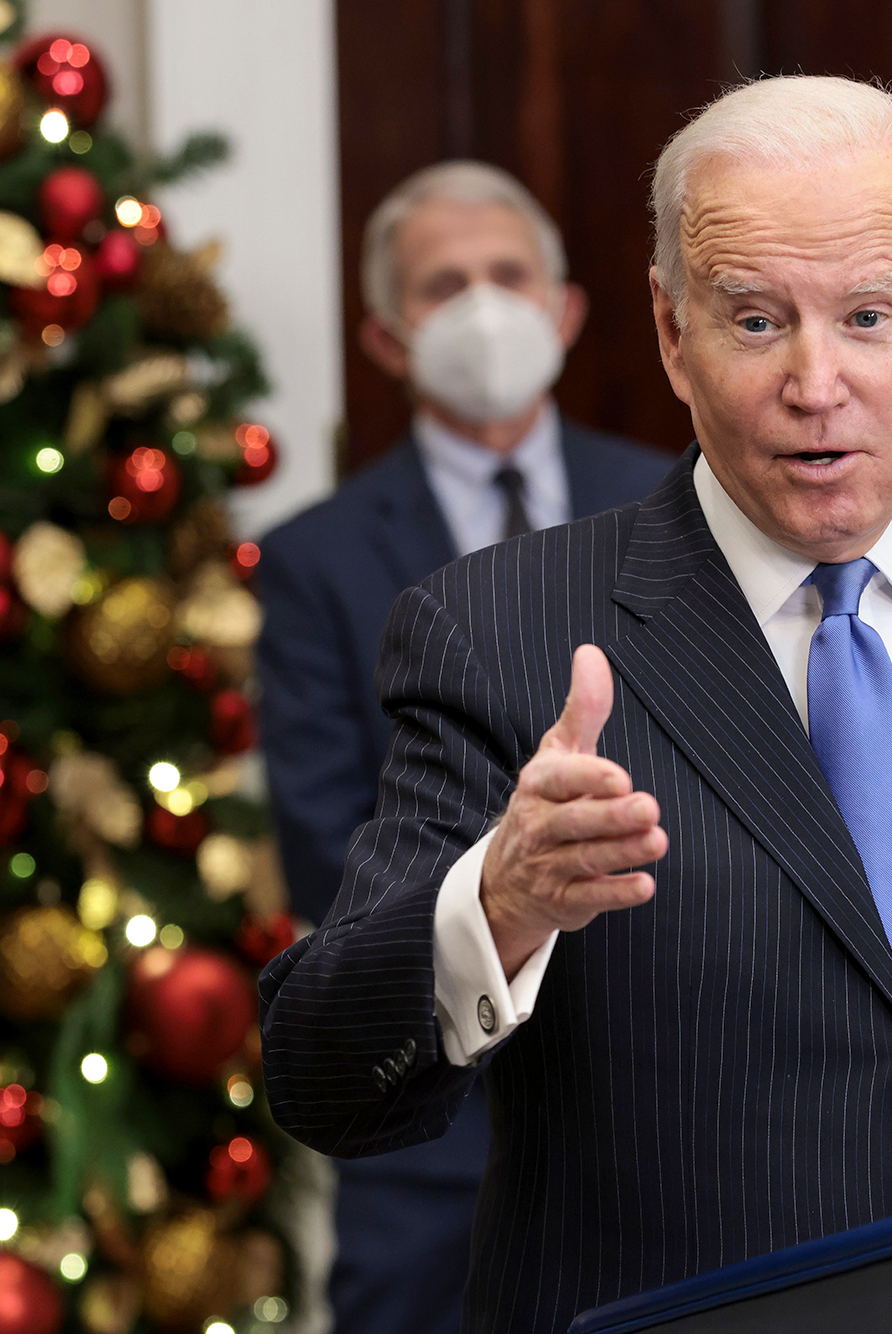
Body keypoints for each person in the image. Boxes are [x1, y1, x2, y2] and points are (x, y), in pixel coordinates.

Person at [259, 77, 892, 1334]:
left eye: (867, 314)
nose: (817, 380)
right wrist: (499, 903)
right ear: (667, 329)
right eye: (755, 320)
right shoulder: (500, 632)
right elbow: (320, 1075)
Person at [255, 161, 670, 1334]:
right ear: (386, 336)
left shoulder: (674, 503)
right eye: (444, 285)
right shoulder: (313, 557)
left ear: (568, 308)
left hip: (657, 1084)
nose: (482, 307)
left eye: (506, 275)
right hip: (429, 1112)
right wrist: (506, 912)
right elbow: (321, 839)